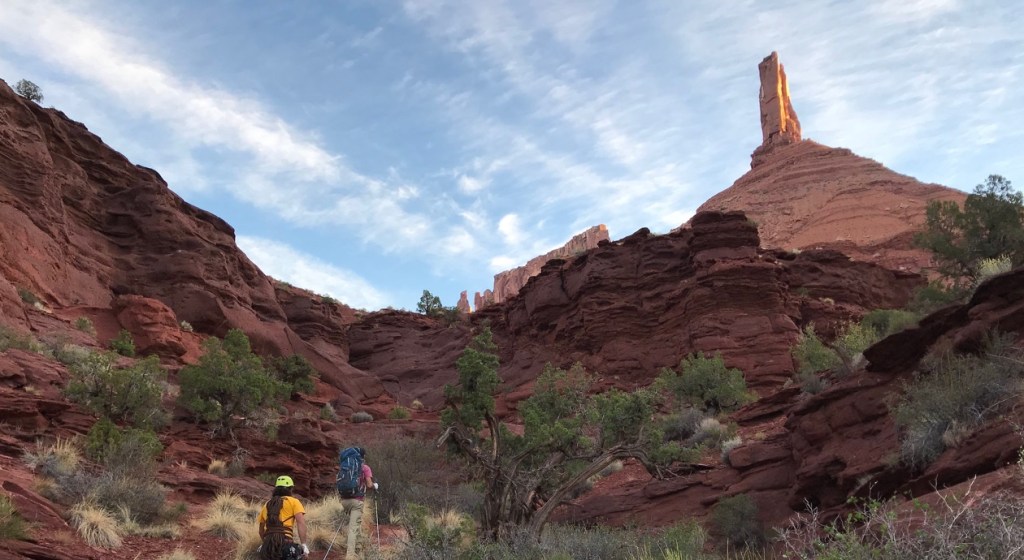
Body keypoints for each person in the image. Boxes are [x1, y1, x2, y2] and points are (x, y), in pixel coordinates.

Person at [257, 475, 309, 560]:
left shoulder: (268, 504)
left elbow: (261, 530)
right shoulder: (294, 502)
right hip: (286, 544)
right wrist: (304, 545)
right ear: (290, 489)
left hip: (268, 547)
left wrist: (265, 543)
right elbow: (301, 522)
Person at [340, 447, 377, 560]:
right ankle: (350, 555)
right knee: (353, 529)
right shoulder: (365, 468)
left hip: (344, 500)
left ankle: (359, 549)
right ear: (363, 456)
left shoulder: (346, 466)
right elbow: (369, 485)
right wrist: (375, 486)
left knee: (356, 524)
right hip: (357, 501)